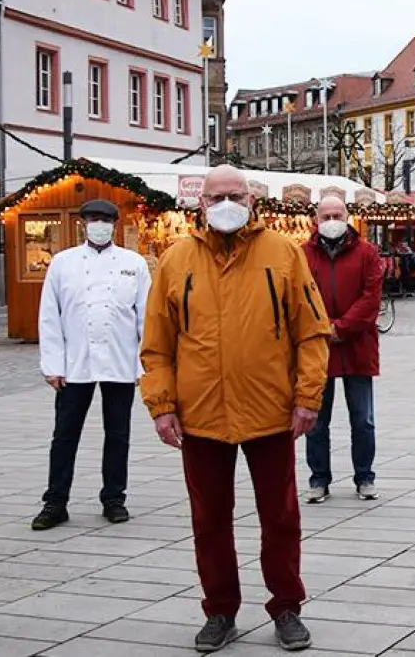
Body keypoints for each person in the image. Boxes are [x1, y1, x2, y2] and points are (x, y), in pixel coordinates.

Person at [140, 165, 331, 653]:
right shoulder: (175, 260)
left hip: (270, 411)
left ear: (251, 200)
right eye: (217, 195)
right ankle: (219, 610)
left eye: (236, 194)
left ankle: (286, 605)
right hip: (200, 415)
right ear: (200, 204)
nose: (227, 202)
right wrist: (162, 406)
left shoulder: (284, 254)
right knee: (209, 520)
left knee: (281, 516)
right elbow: (157, 345)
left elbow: (311, 332)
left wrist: (308, 397)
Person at [32, 198, 150, 530]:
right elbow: (49, 317)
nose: (99, 224)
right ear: (83, 224)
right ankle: (55, 501)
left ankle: (114, 498)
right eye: (93, 219)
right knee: (65, 434)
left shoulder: (134, 264)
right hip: (74, 363)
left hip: (120, 360)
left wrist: (143, 364)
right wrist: (52, 364)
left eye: (105, 219)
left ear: (115, 224)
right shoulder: (63, 262)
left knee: (118, 434)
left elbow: (146, 317)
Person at [301, 194, 385, 504]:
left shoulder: (366, 252)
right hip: (318, 349)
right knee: (316, 419)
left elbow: (371, 298)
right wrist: (324, 328)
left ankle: (364, 477)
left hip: (357, 347)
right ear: (316, 219)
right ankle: (319, 479)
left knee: (362, 418)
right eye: (326, 216)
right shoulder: (303, 255)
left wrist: (342, 327)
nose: (332, 222)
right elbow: (300, 297)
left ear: (347, 216)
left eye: (338, 215)